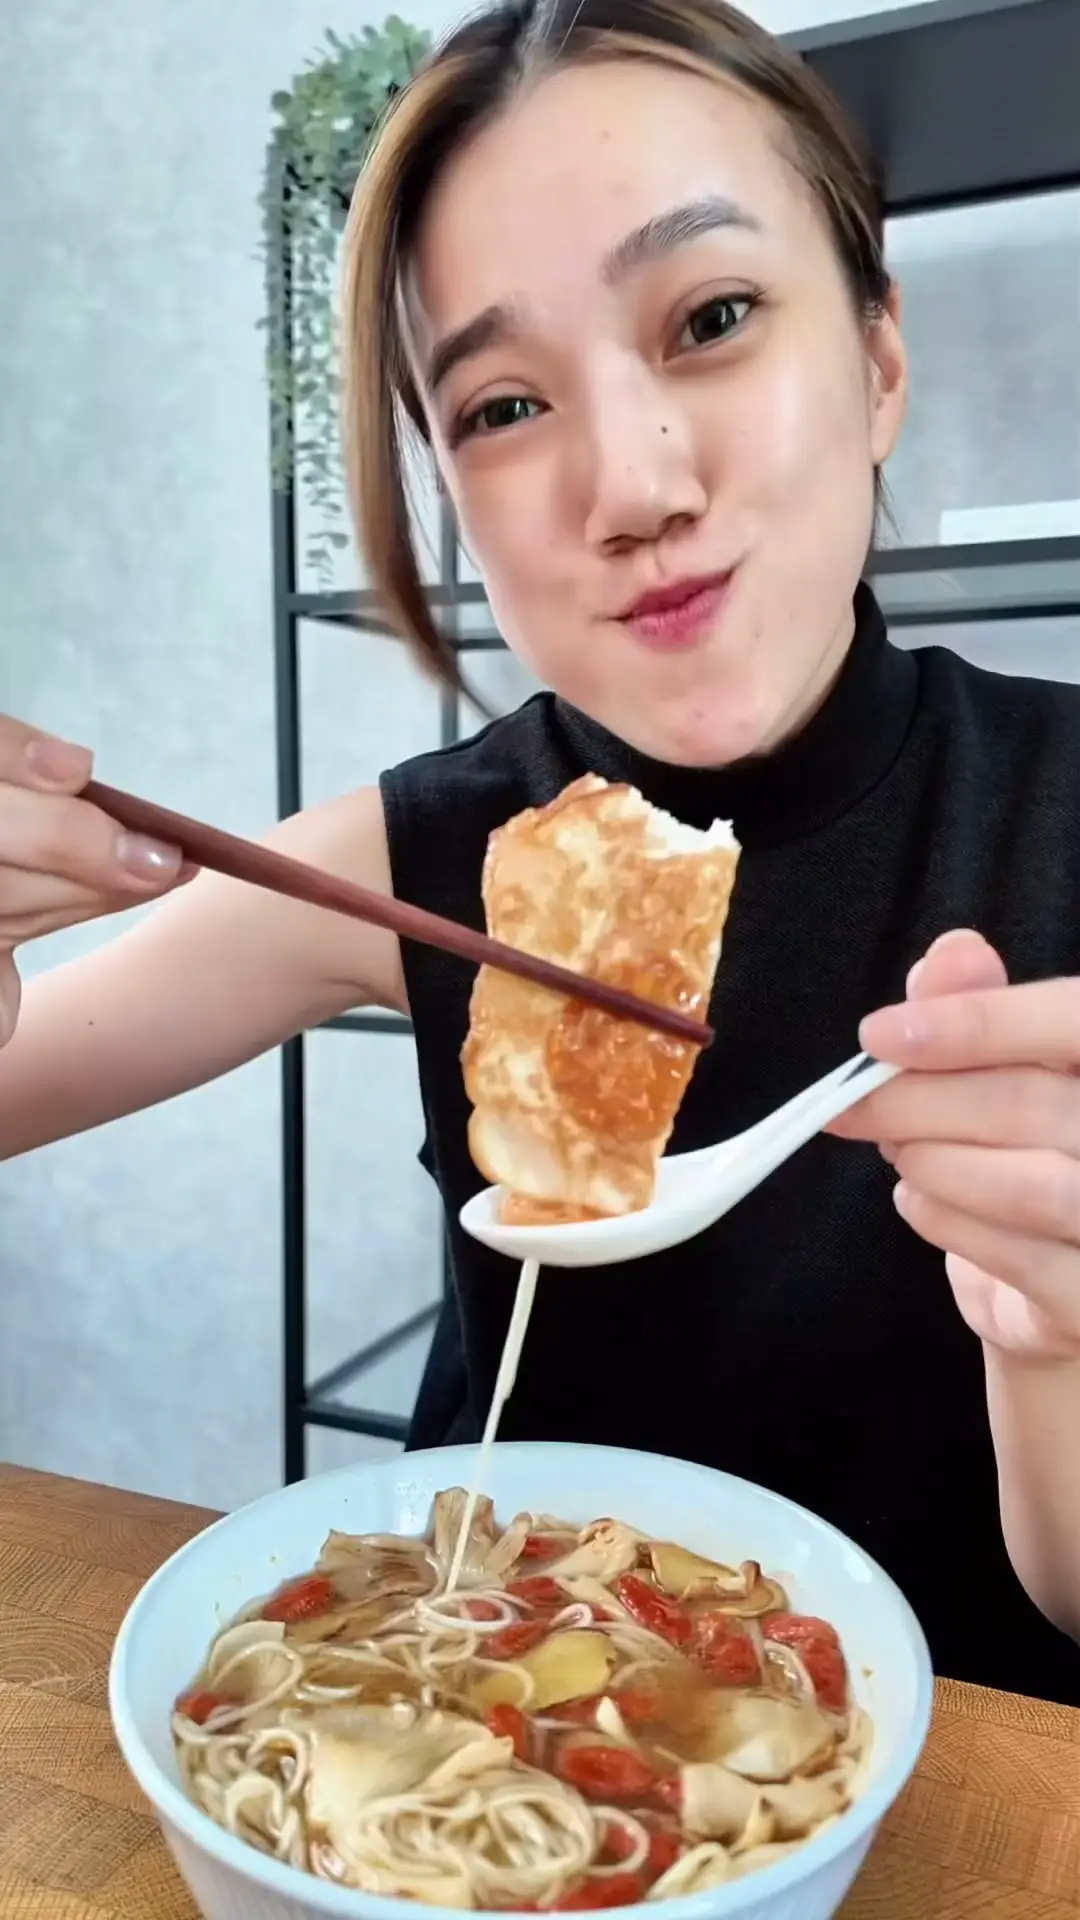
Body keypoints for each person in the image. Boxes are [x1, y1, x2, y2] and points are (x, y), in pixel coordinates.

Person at [2, 0, 1080, 1707]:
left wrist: (1054, 1343)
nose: (630, 487)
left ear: (879, 362)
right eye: (505, 405)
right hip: (474, 1733)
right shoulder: (422, 852)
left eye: (712, 318)